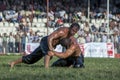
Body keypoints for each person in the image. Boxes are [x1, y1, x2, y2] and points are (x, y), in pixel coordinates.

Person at [9, 23, 80, 68]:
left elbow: (66, 46)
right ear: (70, 28)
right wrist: (51, 48)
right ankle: (46, 69)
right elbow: (50, 38)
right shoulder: (62, 31)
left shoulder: (71, 36)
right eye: (72, 30)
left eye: (74, 31)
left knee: (31, 59)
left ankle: (13, 62)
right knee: (49, 53)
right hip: (46, 41)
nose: (72, 32)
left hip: (51, 44)